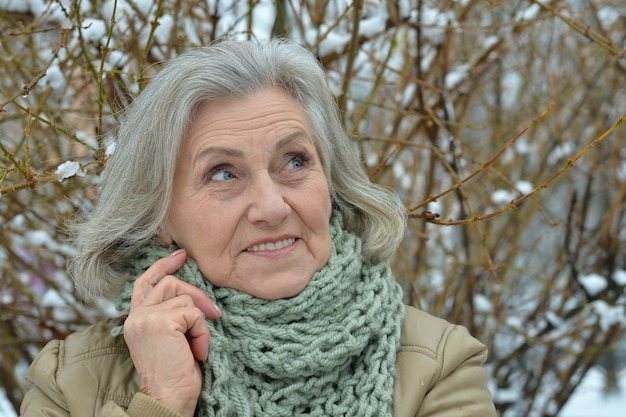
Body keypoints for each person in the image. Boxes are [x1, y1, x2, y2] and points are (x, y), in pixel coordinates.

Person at [20, 39, 496, 417]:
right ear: (159, 217)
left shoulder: (437, 364)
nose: (271, 207)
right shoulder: (71, 385)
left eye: (294, 161)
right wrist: (160, 402)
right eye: (223, 173)